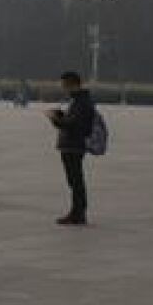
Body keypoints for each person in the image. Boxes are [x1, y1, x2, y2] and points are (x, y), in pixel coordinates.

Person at [48, 71, 97, 225]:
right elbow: (73, 120)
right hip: (71, 145)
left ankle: (78, 214)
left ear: (72, 84)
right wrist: (61, 115)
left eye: (64, 84)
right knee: (75, 181)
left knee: (76, 181)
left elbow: (74, 125)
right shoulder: (78, 100)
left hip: (74, 145)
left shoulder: (82, 102)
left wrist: (55, 119)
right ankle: (77, 212)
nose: (62, 87)